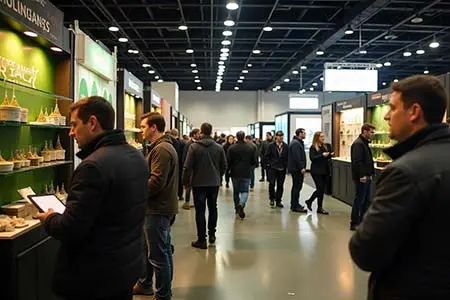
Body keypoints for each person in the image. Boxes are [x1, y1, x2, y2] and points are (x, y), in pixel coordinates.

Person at [36, 96, 148, 300]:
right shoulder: (135, 156)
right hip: (124, 268)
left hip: (94, 278)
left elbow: (71, 228)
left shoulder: (93, 166)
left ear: (93, 123)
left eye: (74, 125)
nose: (71, 133)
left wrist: (50, 218)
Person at [349, 75, 450, 300]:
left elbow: (366, 251)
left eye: (392, 108)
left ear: (414, 111)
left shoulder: (405, 172)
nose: (386, 116)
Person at [135, 112, 178, 299]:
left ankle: (163, 294)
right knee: (152, 250)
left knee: (159, 255)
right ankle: (145, 284)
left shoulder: (161, 150)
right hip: (156, 208)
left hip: (157, 209)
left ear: (154, 127)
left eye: (143, 126)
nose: (141, 130)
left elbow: (156, 182)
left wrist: (134, 192)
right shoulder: (160, 148)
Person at [182, 123, 227, 249]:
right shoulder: (218, 147)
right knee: (213, 208)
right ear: (211, 132)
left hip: (198, 183)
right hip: (214, 183)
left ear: (201, 132)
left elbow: (187, 166)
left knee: (200, 211)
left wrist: (185, 181)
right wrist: (218, 176)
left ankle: (202, 239)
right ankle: (212, 234)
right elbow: (224, 165)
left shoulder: (194, 147)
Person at [350, 123, 375, 231]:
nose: (372, 134)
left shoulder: (364, 143)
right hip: (362, 178)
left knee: (366, 201)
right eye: (371, 132)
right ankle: (354, 222)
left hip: (367, 176)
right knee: (359, 200)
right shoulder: (358, 144)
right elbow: (357, 162)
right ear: (364, 131)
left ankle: (362, 222)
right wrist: (362, 175)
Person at [228, 132, 257, 219]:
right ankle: (242, 204)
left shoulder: (231, 148)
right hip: (246, 172)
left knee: (236, 192)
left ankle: (237, 208)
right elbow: (254, 161)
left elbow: (228, 161)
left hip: (235, 172)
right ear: (244, 137)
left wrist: (228, 170)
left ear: (236, 137)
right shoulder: (250, 147)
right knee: (245, 190)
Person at [305, 131, 334, 215]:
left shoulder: (325, 146)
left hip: (325, 170)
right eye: (321, 137)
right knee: (320, 188)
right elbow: (312, 158)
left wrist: (330, 154)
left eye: (323, 136)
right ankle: (310, 201)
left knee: (321, 190)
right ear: (317, 138)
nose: (323, 138)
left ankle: (319, 207)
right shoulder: (313, 147)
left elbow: (327, 156)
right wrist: (322, 155)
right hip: (316, 171)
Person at [264, 130, 288, 208]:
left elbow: (288, 157)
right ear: (276, 137)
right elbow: (266, 156)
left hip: (282, 169)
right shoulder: (271, 146)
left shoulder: (286, 146)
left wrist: (286, 165)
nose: (280, 137)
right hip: (273, 168)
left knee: (280, 185)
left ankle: (278, 200)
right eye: (279, 135)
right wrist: (269, 164)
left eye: (282, 136)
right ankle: (271, 198)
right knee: (272, 184)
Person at [287, 128, 308, 213]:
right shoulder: (296, 144)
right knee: (297, 187)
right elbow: (297, 157)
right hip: (296, 169)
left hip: (296, 169)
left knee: (297, 187)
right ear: (299, 134)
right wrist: (301, 167)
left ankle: (295, 204)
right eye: (304, 133)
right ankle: (295, 206)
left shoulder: (297, 142)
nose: (305, 134)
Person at [181, 128, 200, 210]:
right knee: (188, 185)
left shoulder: (197, 143)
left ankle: (191, 202)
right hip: (190, 168)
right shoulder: (189, 144)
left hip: (195, 168)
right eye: (198, 133)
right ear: (194, 134)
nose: (199, 135)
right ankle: (186, 202)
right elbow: (185, 156)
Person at [169, 128, 185, 201]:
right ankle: (180, 194)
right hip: (180, 164)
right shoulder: (182, 142)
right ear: (177, 134)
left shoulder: (168, 142)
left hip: (170, 163)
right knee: (179, 179)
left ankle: (172, 194)